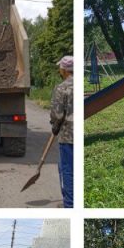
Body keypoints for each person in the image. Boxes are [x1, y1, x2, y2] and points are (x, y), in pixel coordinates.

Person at [50, 56, 74, 208]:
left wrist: (54, 125)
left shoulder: (62, 88)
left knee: (67, 171)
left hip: (67, 136)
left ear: (64, 70)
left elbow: (57, 114)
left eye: (60, 67)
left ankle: (70, 205)